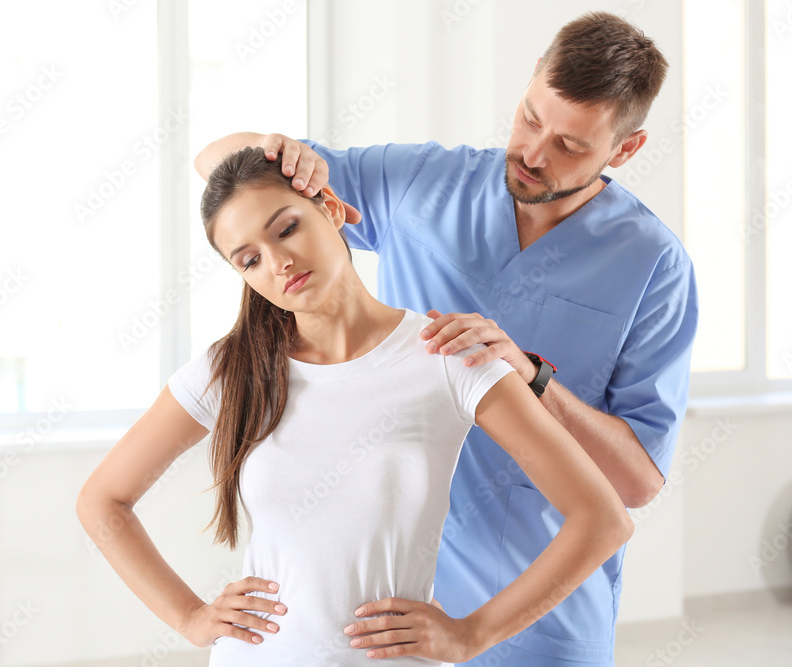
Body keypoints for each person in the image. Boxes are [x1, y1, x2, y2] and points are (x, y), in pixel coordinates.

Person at [192, 11, 699, 667]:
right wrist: (279, 149)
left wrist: (533, 379)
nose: (534, 153)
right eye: (530, 118)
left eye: (570, 145)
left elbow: (636, 483)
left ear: (624, 150)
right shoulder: (422, 185)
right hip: (393, 611)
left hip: (541, 613)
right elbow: (221, 166)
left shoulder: (653, 264)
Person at [75, 146, 633, 666]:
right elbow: (102, 502)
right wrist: (191, 617)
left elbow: (602, 519)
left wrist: (473, 634)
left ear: (333, 209)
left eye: (287, 228)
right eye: (250, 260)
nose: (279, 262)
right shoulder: (231, 368)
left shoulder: (446, 355)